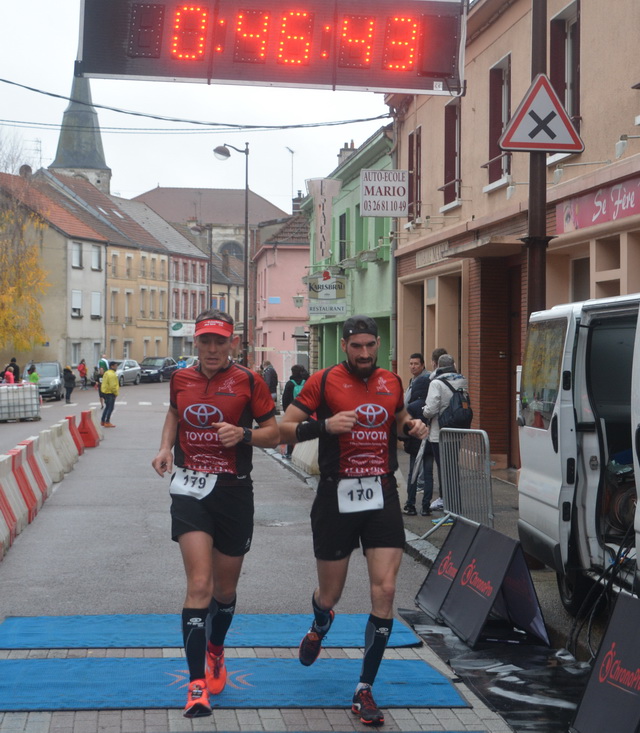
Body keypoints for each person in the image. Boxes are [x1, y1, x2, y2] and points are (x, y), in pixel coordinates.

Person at [279, 315, 429, 726]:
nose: (364, 353)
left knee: (385, 589)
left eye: (370, 346)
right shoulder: (323, 382)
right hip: (336, 494)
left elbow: (397, 419)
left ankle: (364, 688)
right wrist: (323, 425)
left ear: (377, 344)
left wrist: (410, 425)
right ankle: (320, 622)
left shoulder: (391, 381)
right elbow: (284, 429)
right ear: (344, 346)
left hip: (381, 492)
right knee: (332, 594)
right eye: (356, 346)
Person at [151, 309, 279, 719]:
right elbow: (174, 411)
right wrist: (165, 448)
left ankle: (216, 650)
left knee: (224, 592)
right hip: (190, 489)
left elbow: (274, 433)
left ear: (232, 344)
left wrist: (243, 434)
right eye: (204, 341)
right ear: (196, 343)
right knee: (199, 584)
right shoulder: (181, 378)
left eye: (219, 342)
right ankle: (196, 686)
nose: (211, 349)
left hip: (234, 491)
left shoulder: (248, 380)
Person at [422, 353, 468, 511]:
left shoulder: (436, 383)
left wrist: (424, 411)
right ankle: (454, 501)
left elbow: (431, 409)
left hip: (439, 432)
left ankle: (447, 502)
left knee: (443, 467)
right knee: (453, 467)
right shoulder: (462, 379)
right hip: (456, 430)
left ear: (437, 365)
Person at [401, 354, 431, 516]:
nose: (412, 366)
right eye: (410, 363)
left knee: (417, 473)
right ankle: (425, 507)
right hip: (426, 441)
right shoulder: (413, 381)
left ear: (422, 365)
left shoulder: (426, 380)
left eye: (415, 364)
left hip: (417, 441)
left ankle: (411, 504)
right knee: (427, 473)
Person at [281, 364, 309, 458]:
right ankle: (304, 452)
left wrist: (286, 411)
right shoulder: (306, 382)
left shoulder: (290, 383)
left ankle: (290, 452)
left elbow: (285, 398)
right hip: (305, 410)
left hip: (293, 411)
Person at [100, 361, 119, 427]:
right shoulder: (112, 374)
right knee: (110, 408)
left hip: (105, 392)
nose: (116, 367)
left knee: (107, 407)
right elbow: (113, 386)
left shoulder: (107, 373)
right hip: (110, 393)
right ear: (112, 366)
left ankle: (103, 421)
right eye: (115, 366)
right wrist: (116, 393)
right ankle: (107, 421)